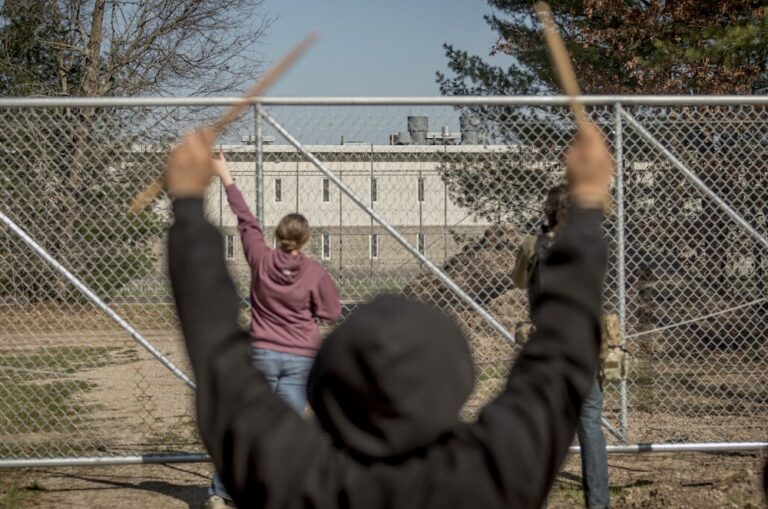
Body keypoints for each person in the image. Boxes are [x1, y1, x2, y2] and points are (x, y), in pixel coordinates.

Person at [166, 122, 613, 509]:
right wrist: (587, 205)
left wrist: (188, 205)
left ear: (330, 387)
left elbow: (216, 352)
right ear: (458, 378)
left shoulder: (290, 480)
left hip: (267, 351)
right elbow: (562, 349)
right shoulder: (494, 477)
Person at [205, 153, 342, 508]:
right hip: (301, 359)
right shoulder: (314, 273)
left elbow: (245, 221)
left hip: (262, 353)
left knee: (248, 427)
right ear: (306, 239)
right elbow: (331, 312)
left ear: (278, 236)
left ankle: (221, 493)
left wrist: (226, 176)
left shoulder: (261, 260)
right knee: (284, 433)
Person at [512, 184, 611, 509]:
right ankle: (598, 504)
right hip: (582, 347)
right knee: (590, 427)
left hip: (547, 349)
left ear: (548, 211)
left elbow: (519, 280)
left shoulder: (532, 245)